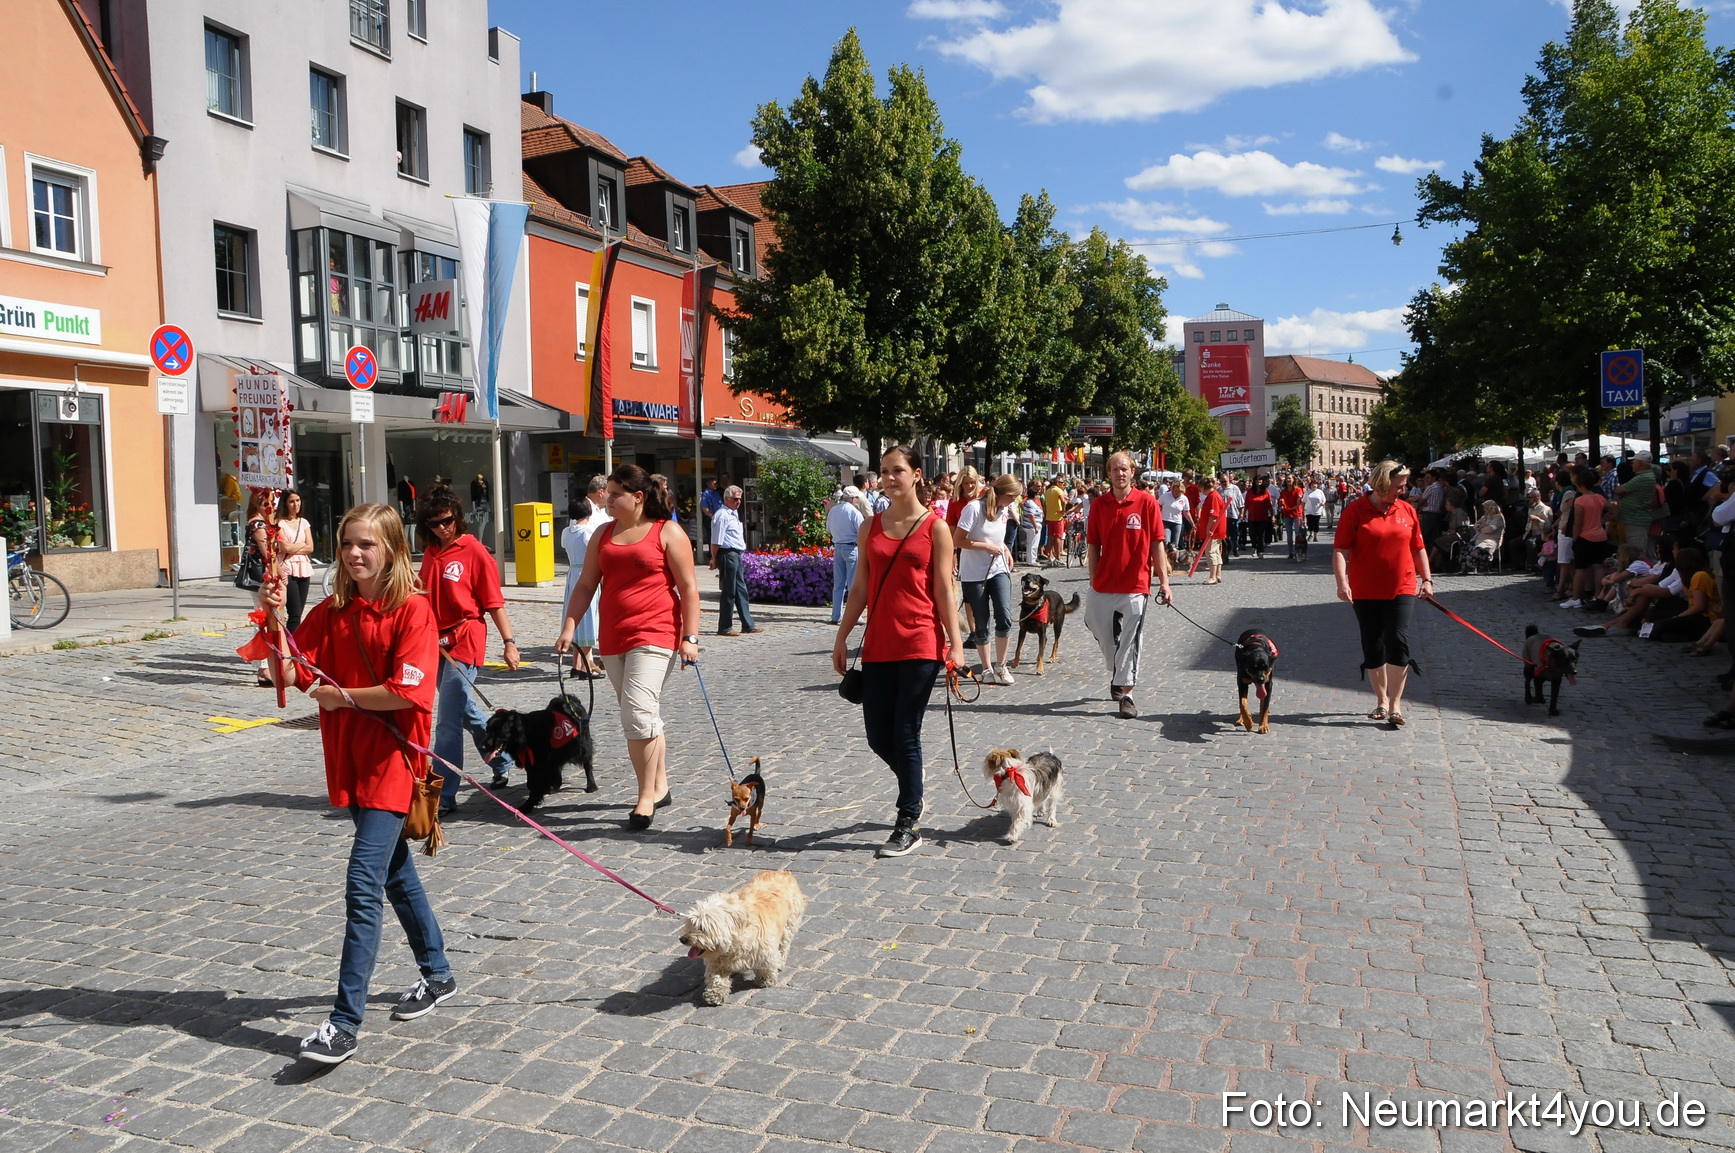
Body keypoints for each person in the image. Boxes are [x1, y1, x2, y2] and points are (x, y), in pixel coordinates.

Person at [271, 502, 454, 1066]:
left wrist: (344, 696)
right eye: (348, 543)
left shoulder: (413, 612)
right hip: (350, 759)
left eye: (367, 544)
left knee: (362, 882)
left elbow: (410, 692)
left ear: (393, 550)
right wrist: (273, 617)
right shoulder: (331, 611)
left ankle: (343, 1023)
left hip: (394, 762)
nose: (354, 553)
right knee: (395, 872)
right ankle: (439, 973)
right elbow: (288, 672)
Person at [831, 446, 966, 858]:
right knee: (877, 735)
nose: (890, 478)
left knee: (906, 733)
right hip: (878, 646)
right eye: (886, 472)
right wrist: (842, 635)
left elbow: (944, 589)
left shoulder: (934, 528)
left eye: (898, 471)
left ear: (917, 475)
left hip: (920, 643)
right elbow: (859, 589)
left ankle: (908, 819)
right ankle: (914, 783)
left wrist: (956, 645)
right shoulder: (870, 526)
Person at [557, 465, 702, 830]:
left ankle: (644, 797)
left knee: (637, 714)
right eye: (606, 491)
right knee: (644, 714)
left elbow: (688, 588)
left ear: (637, 497)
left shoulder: (667, 532)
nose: (606, 497)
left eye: (615, 492)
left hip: (656, 633)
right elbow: (587, 583)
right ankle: (661, 784)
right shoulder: (603, 535)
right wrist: (570, 626)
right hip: (613, 636)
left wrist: (691, 637)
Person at [417, 487, 520, 813]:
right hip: (435, 642)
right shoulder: (432, 552)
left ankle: (443, 797)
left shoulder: (474, 551)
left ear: (457, 517)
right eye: (434, 523)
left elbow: (493, 603)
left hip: (465, 640)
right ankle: (502, 759)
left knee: (447, 720)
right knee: (462, 711)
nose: (442, 528)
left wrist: (509, 643)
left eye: (446, 520)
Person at [1333, 461, 1431, 727]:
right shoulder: (1355, 511)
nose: (1404, 490)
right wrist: (1342, 582)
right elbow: (1341, 549)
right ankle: (1381, 701)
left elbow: (1418, 548)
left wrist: (1427, 579)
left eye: (1405, 485)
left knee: (1398, 641)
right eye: (1399, 486)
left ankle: (1396, 704)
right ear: (1382, 484)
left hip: (1402, 587)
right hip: (1364, 589)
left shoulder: (1407, 510)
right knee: (1373, 644)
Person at [1086, 452, 1171, 720]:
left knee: (1131, 641)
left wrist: (1164, 582)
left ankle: (1127, 696)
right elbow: (1092, 545)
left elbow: (1157, 543)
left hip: (1136, 584)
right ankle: (1117, 670)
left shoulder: (1147, 503)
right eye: (1115, 469)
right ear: (1108, 473)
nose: (1120, 473)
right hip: (1104, 584)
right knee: (1095, 625)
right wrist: (1092, 579)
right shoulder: (1099, 505)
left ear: (1132, 472)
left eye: (1124, 469)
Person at [958, 473, 1021, 685]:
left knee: (1004, 615)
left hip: (998, 568)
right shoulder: (974, 508)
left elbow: (996, 535)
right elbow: (958, 539)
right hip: (974, 573)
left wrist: (1004, 547)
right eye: (1012, 496)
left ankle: (1001, 666)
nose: (1014, 501)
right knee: (981, 620)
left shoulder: (1003, 510)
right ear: (1002, 493)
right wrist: (987, 547)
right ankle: (986, 668)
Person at [560, 495, 601, 677]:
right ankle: (585, 666)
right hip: (585, 574)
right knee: (588, 618)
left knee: (574, 618)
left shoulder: (566, 532)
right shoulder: (587, 532)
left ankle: (576, 664)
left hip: (572, 574)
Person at [710, 484, 758, 636]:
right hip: (727, 554)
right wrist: (713, 558)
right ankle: (725, 626)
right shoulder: (722, 515)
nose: (738, 502)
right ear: (727, 499)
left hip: (736, 554)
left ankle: (748, 624)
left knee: (741, 590)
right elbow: (716, 540)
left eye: (739, 499)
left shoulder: (733, 514)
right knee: (729, 592)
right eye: (735, 499)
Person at [1562, 467, 1612, 609]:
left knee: (1580, 568)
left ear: (1580, 484)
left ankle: (1576, 597)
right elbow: (1613, 509)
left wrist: (1575, 538)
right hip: (1600, 536)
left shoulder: (1580, 501)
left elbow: (1578, 522)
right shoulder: (1599, 498)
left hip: (1585, 536)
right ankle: (1598, 595)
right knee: (1598, 566)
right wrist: (1603, 519)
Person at [243, 490, 277, 687]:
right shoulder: (257, 523)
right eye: (266, 503)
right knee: (264, 619)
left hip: (262, 576)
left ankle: (267, 664)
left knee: (266, 618)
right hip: (261, 577)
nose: (269, 507)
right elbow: (268, 553)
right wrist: (281, 572)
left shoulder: (258, 522)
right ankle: (263, 667)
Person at [827, 486, 867, 626]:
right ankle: (855, 616)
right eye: (856, 498)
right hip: (851, 548)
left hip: (838, 547)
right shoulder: (854, 512)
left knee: (838, 584)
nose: (857, 501)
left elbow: (828, 529)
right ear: (852, 498)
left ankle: (835, 615)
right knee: (853, 584)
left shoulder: (834, 511)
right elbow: (862, 532)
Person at [276, 489, 314, 632]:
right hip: (287, 568)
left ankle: (294, 646)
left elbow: (310, 547)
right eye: (291, 501)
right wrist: (300, 546)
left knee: (299, 614)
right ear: (285, 503)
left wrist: (293, 547)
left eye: (298, 501)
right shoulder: (280, 523)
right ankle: (290, 648)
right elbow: (285, 547)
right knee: (294, 613)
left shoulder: (303, 522)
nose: (295, 504)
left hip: (303, 567)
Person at [1615, 450, 1658, 567]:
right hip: (1635, 519)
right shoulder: (1645, 476)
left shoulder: (1642, 478)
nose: (1632, 464)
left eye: (1633, 462)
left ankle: (1637, 581)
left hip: (1636, 520)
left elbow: (1619, 490)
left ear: (1639, 463)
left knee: (1636, 554)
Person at [1196, 477, 1227, 584]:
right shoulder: (1212, 496)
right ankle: (1218, 574)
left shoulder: (1213, 497)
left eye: (1200, 488)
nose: (1200, 491)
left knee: (1210, 552)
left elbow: (1213, 515)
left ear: (1204, 487)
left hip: (1214, 530)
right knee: (1216, 552)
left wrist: (1209, 529)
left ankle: (1213, 576)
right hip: (1217, 530)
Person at [1244, 477, 1274, 558]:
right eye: (1257, 480)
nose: (1258, 482)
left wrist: (1272, 515)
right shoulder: (1250, 492)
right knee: (1252, 534)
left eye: (1260, 480)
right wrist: (1243, 513)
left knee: (1261, 535)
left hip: (1263, 517)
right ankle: (1254, 547)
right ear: (1254, 481)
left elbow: (1270, 505)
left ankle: (1260, 551)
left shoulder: (1266, 492)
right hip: (1252, 517)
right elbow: (1246, 504)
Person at [1042, 476, 1066, 564]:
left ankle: (1050, 555)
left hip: (1049, 516)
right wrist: (1063, 510)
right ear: (1058, 483)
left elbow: (1044, 504)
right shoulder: (1058, 490)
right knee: (1058, 537)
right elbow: (1063, 501)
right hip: (1058, 517)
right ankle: (1058, 556)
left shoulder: (1047, 491)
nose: (1063, 484)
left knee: (1050, 537)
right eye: (1062, 483)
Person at [1279, 476, 1305, 560]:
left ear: (1293, 480)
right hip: (1287, 514)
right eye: (1287, 478)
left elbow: (1299, 500)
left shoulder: (1298, 490)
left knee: (1298, 534)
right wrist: (1280, 503)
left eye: (1290, 478)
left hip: (1297, 514)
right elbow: (1281, 501)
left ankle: (1299, 551)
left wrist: (1297, 503)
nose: (1288, 480)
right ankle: (1291, 552)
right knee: (1289, 536)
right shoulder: (1284, 491)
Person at [1019, 483, 1043, 567]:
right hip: (1032, 526)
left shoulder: (1029, 502)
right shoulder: (1030, 503)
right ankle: (1032, 561)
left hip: (1031, 526)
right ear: (1035, 495)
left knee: (1031, 544)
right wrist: (1035, 526)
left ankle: (1031, 559)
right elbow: (1031, 515)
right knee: (1033, 544)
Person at [469, 473, 492, 546]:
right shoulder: (474, 483)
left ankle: (480, 540)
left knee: (484, 521)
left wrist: (489, 505)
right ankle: (480, 541)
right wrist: (474, 507)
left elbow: (488, 493)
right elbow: (473, 495)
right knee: (481, 521)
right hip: (479, 504)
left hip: (485, 503)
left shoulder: (485, 482)